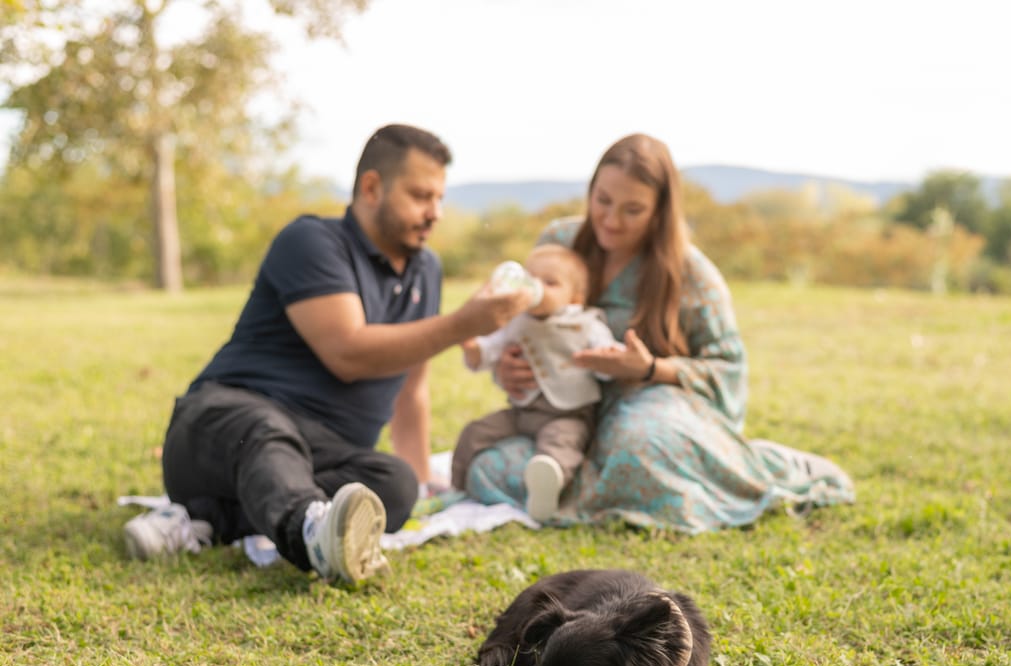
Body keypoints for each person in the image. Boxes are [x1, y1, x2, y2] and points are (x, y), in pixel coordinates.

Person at [124, 124, 534, 584]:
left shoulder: (427, 270)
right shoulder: (312, 242)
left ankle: (203, 520)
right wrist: (467, 322)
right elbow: (348, 352)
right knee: (267, 433)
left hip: (319, 454)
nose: (434, 212)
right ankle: (310, 532)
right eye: (421, 196)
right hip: (221, 424)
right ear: (372, 187)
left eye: (439, 198)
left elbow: (411, 387)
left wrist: (421, 477)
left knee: (395, 485)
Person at [459, 133, 855, 532]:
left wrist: (648, 369)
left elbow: (728, 370)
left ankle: (761, 467)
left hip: (647, 404)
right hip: (564, 412)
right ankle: (588, 487)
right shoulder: (559, 244)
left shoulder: (691, 273)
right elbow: (521, 322)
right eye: (603, 201)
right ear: (590, 190)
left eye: (633, 210)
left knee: (640, 447)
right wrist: (508, 370)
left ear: (659, 211)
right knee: (487, 467)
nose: (612, 221)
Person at [450, 244, 618, 521]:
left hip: (567, 414)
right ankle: (455, 487)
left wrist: (609, 357)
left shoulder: (585, 324)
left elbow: (607, 357)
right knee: (475, 432)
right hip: (523, 411)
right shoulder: (517, 321)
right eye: (531, 279)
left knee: (560, 445)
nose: (535, 287)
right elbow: (489, 350)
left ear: (574, 299)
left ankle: (546, 488)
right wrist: (471, 347)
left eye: (550, 283)